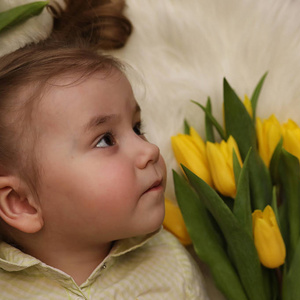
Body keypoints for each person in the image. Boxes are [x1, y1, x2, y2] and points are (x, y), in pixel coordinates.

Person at [0, 1, 208, 299]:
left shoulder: (170, 267)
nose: (148, 149)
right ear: (21, 202)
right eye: (105, 140)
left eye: (137, 128)